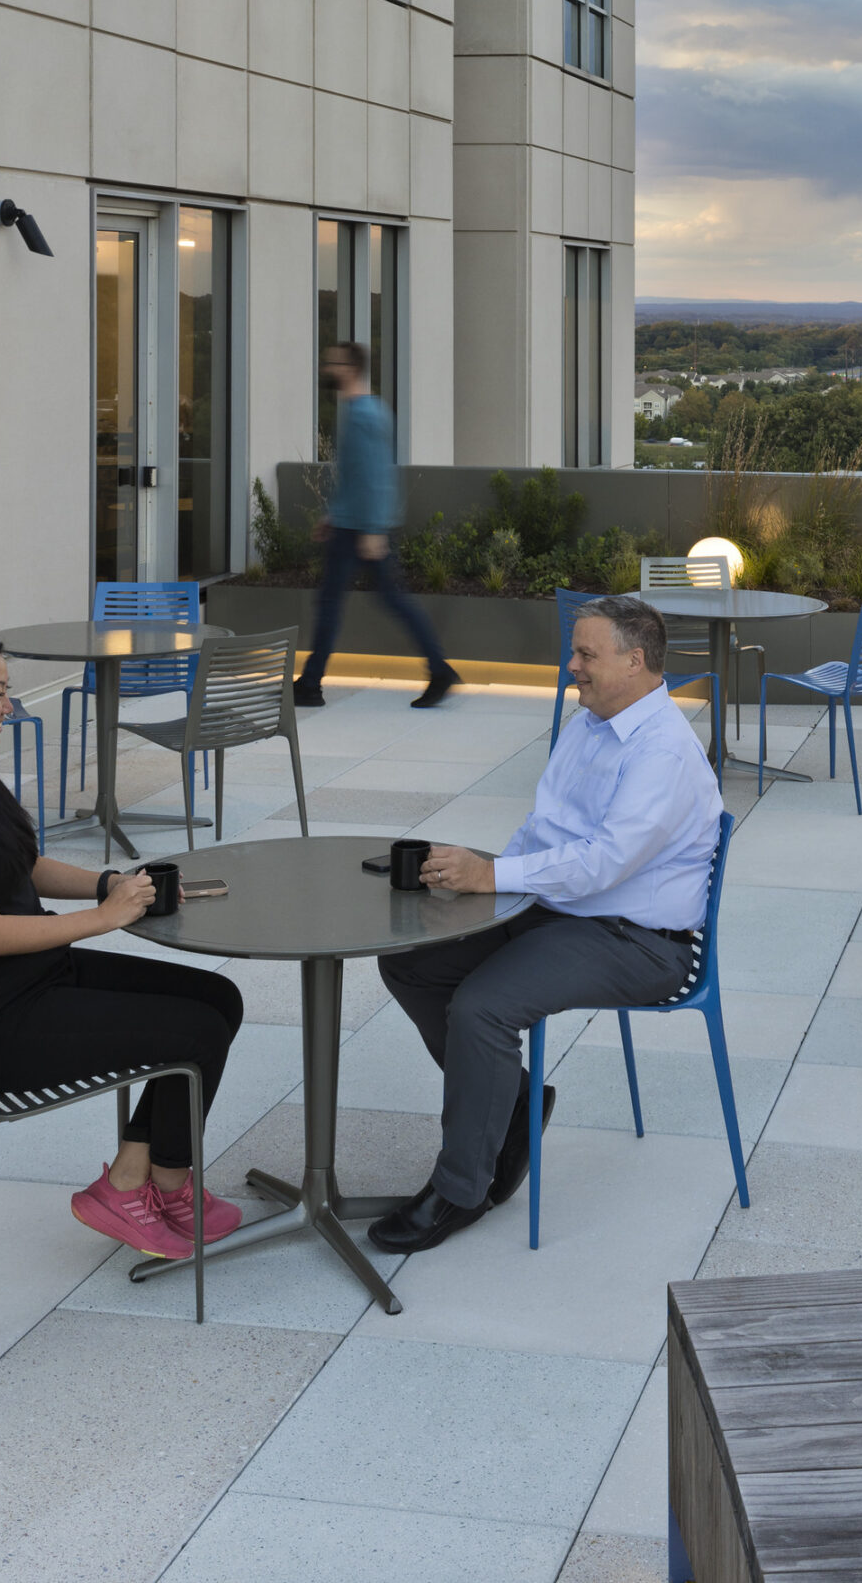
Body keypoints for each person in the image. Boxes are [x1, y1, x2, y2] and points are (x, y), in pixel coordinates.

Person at [0, 625, 246, 1263]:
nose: (9, 707)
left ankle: (143, 1180)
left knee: (220, 998)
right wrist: (105, 916)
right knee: (195, 1033)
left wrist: (111, 882)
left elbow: (23, 865)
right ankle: (153, 1186)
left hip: (33, 978)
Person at [365, 593, 722, 1255]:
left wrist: (492, 878)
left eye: (586, 654)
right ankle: (516, 1106)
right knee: (410, 959)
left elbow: (605, 864)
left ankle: (461, 1189)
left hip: (638, 940)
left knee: (482, 1009)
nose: (571, 666)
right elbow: (546, 831)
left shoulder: (661, 752)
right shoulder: (592, 724)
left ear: (635, 661)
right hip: (561, 908)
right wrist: (479, 880)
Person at [295, 341, 460, 711]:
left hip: (360, 530)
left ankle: (311, 684)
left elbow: (375, 475)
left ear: (350, 369)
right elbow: (353, 476)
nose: (327, 368)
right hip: (351, 525)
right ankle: (311, 682)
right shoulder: (361, 410)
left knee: (354, 602)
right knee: (361, 601)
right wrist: (332, 515)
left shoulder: (365, 415)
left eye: (333, 362)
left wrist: (372, 530)